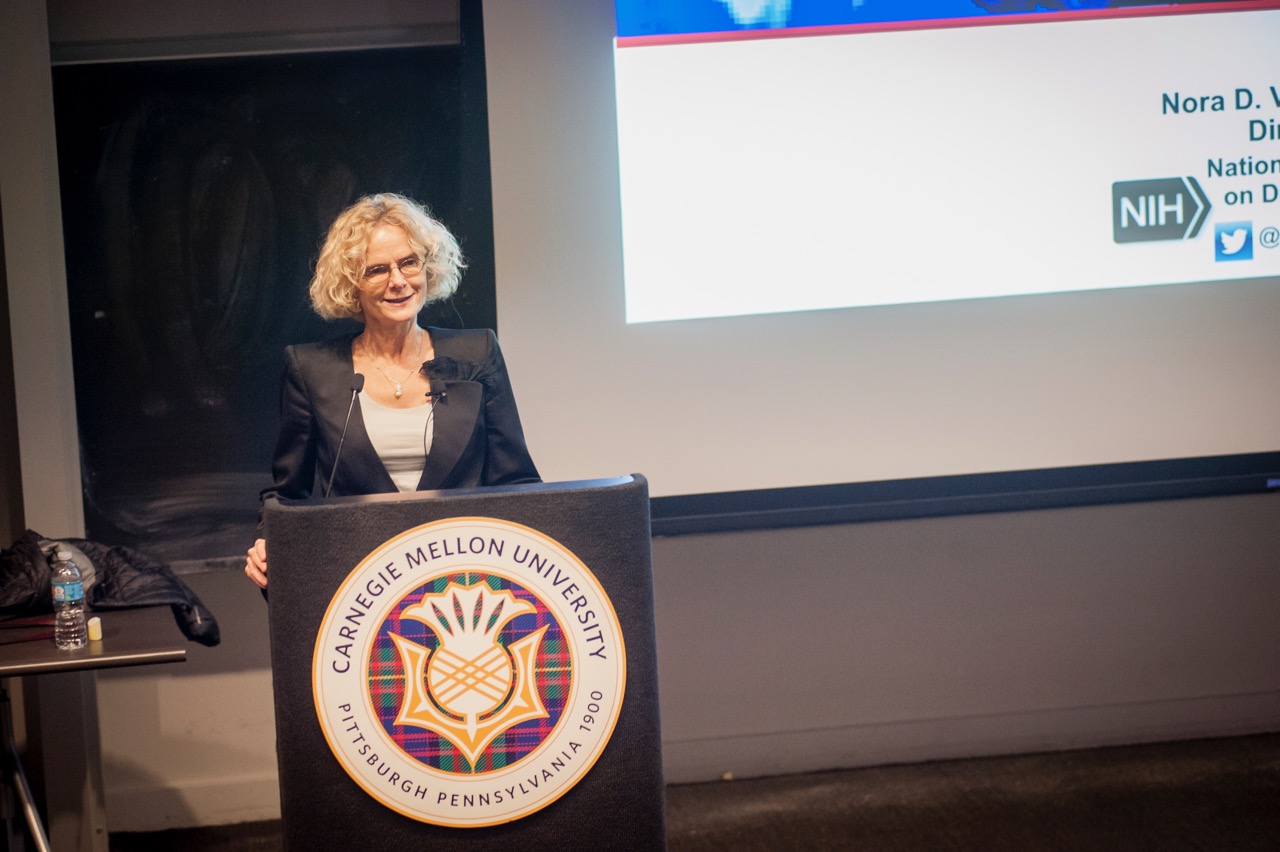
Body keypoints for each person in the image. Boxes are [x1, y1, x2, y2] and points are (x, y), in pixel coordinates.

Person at [243, 193, 539, 589]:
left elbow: (517, 482)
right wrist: (268, 541)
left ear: (427, 267)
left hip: (469, 579)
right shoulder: (313, 370)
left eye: (409, 262)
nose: (398, 281)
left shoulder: (477, 352)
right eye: (377, 270)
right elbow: (286, 493)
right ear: (351, 285)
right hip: (358, 584)